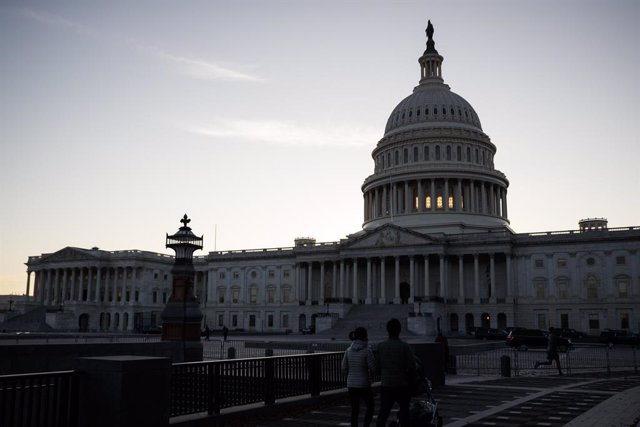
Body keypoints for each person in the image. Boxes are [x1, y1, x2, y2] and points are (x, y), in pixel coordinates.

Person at [375, 318, 417, 427]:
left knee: (383, 412)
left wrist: (384, 375)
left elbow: (377, 367)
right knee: (404, 411)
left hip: (386, 384)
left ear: (387, 330)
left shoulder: (380, 346)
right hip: (401, 384)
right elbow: (412, 366)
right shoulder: (404, 346)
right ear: (399, 330)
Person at [342, 327, 376, 427]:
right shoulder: (367, 351)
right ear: (365, 336)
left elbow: (343, 368)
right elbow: (373, 367)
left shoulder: (348, 350)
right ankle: (366, 425)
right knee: (370, 406)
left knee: (354, 409)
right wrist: (370, 376)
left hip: (351, 384)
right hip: (364, 383)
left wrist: (350, 375)